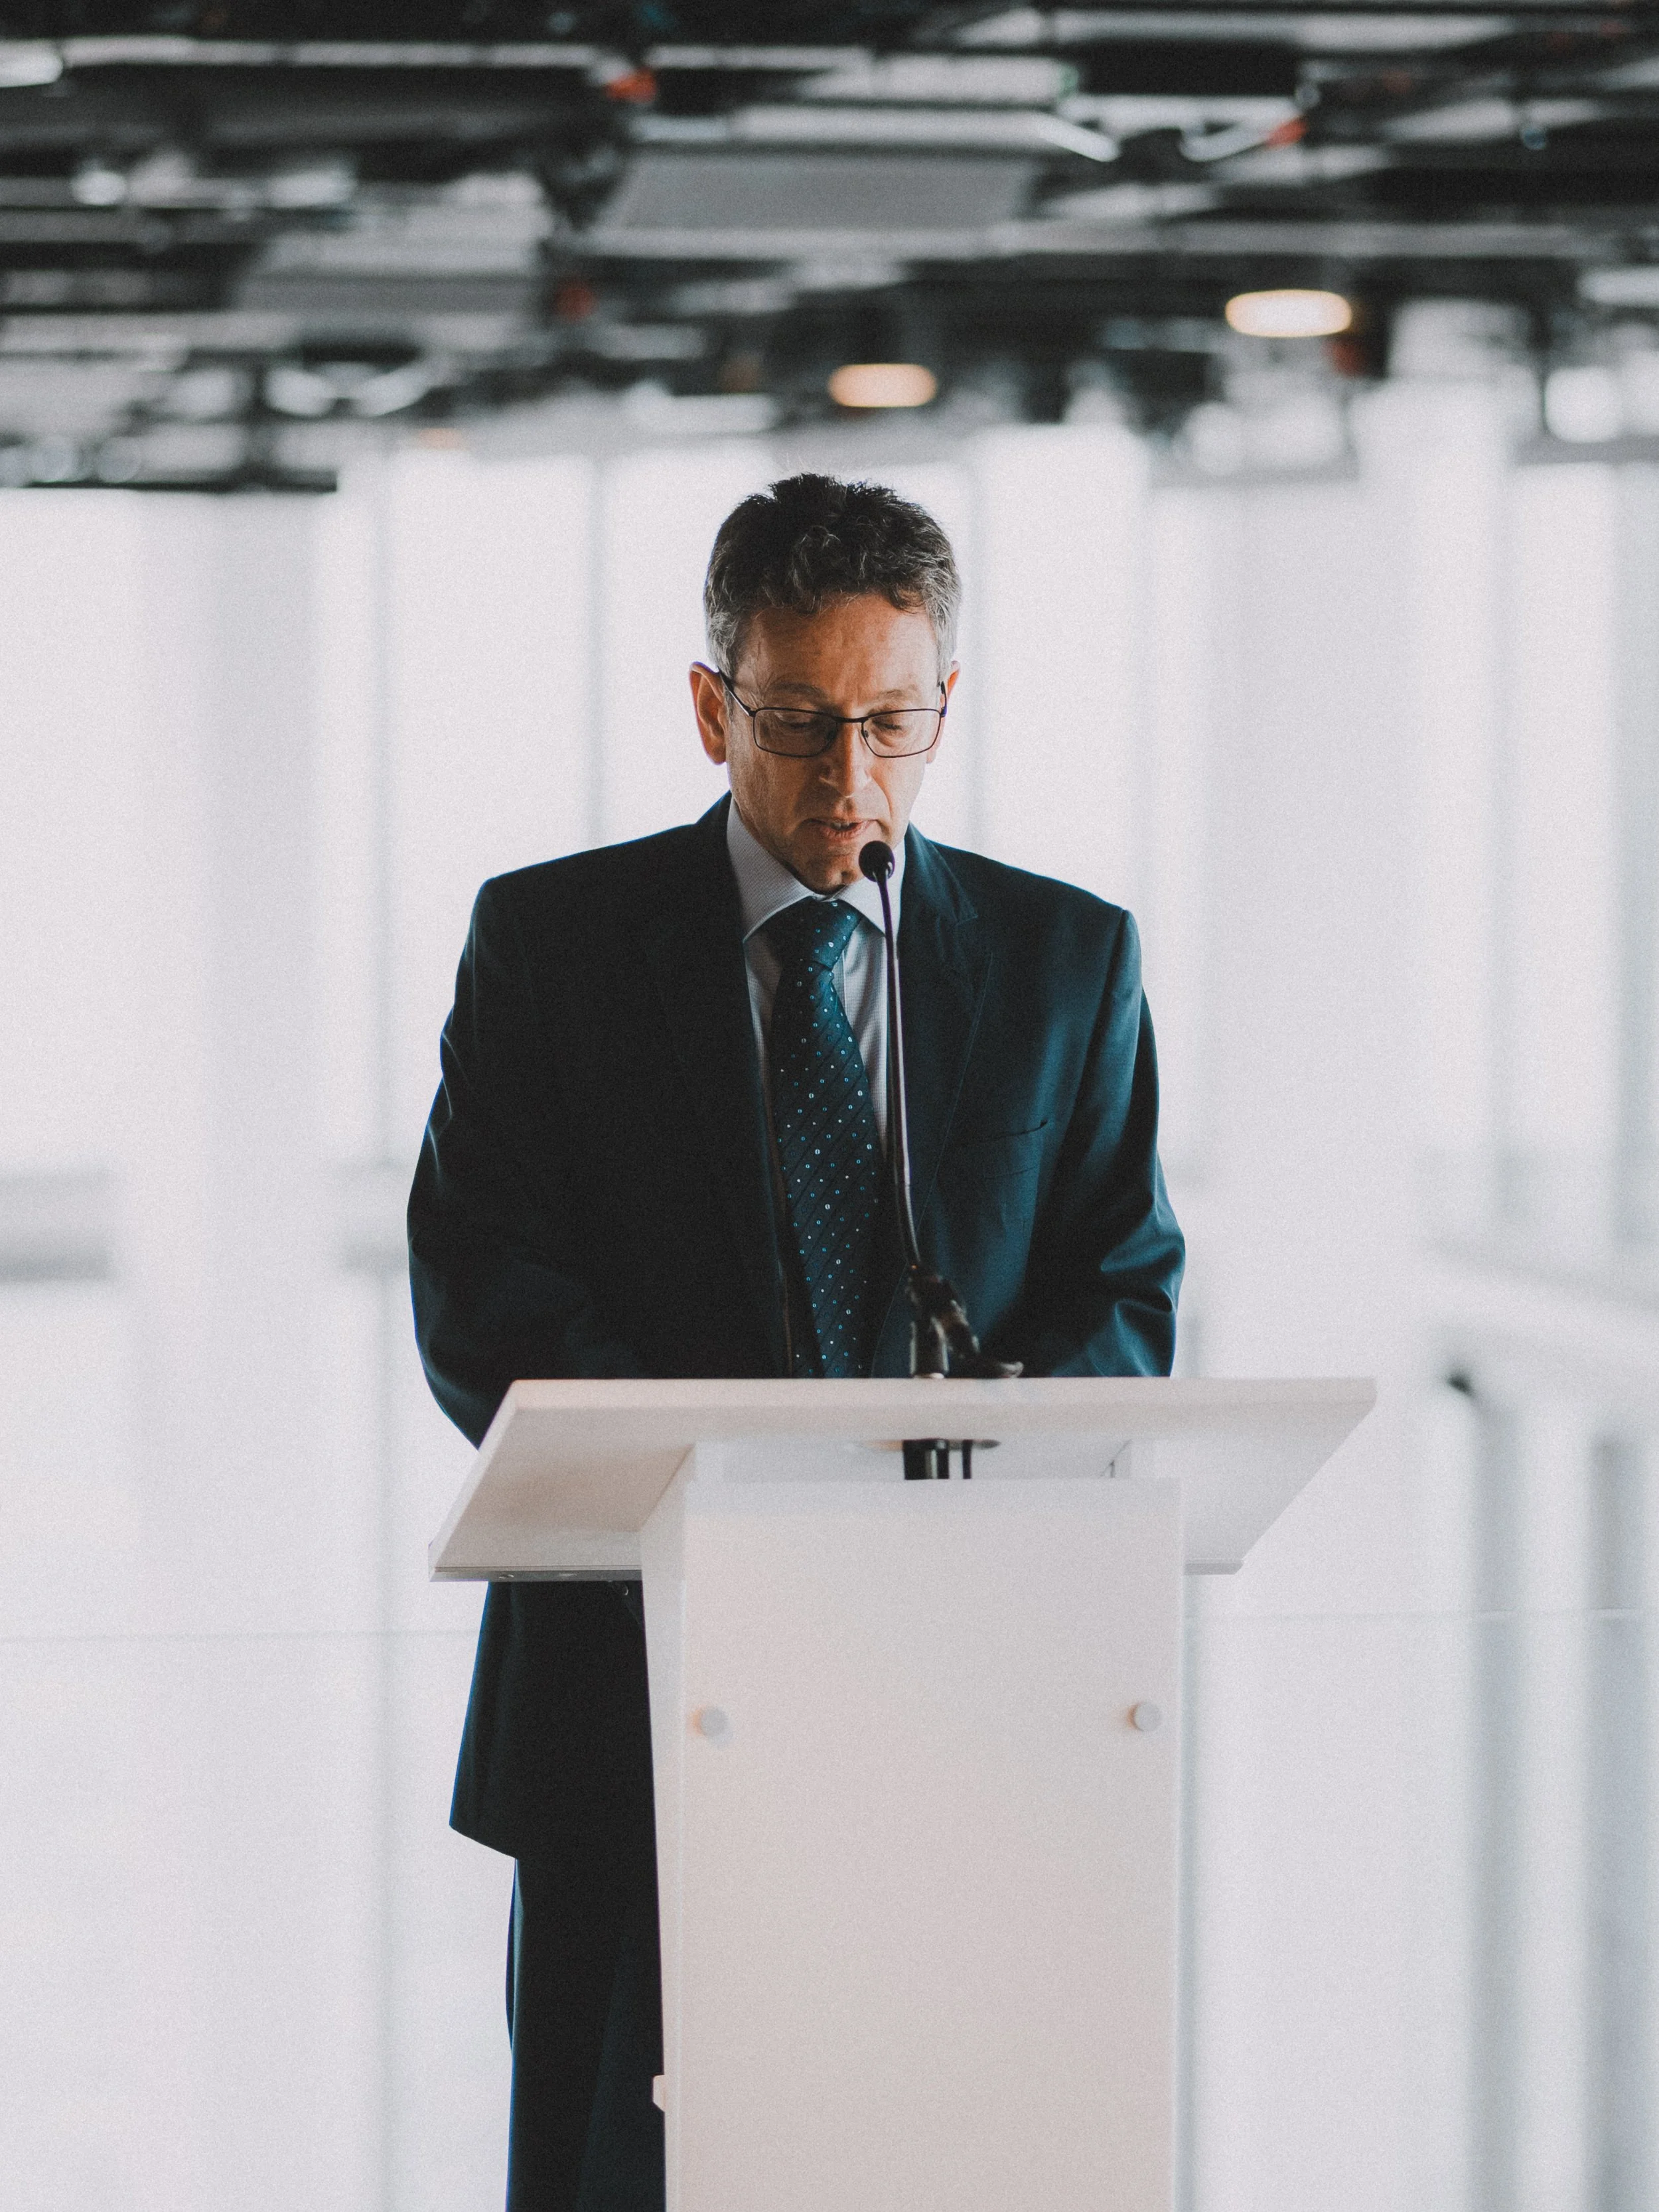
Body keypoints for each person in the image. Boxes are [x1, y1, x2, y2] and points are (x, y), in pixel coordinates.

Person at [408, 473, 1185, 2212]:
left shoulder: (1068, 962)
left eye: (894, 726)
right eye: (799, 725)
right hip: (634, 1696)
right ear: (710, 704)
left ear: (945, 707)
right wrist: (737, 1481)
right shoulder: (552, 944)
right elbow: (478, 1288)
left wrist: (969, 1456)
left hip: (976, 1706)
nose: (852, 783)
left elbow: (1123, 1294)